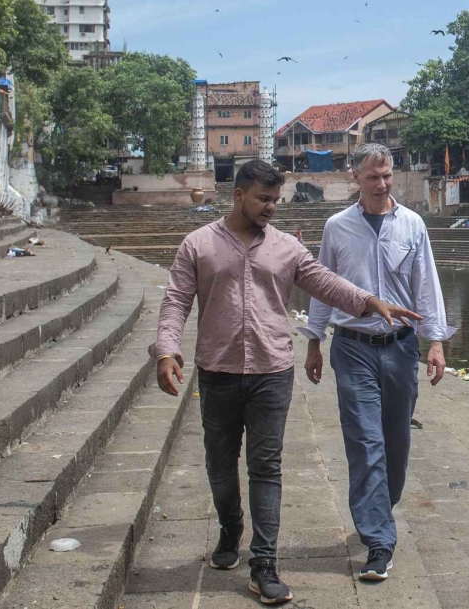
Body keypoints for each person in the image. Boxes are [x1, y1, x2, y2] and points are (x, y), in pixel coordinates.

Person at [151, 159, 421, 606]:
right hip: (216, 371)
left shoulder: (286, 249)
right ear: (238, 196)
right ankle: (230, 526)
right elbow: (176, 301)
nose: (271, 208)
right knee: (219, 464)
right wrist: (165, 349)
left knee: (266, 467)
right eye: (263, 199)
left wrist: (371, 302)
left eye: (276, 200)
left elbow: (326, 284)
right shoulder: (197, 245)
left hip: (272, 371)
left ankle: (264, 564)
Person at [303, 143, 452, 584]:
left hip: (401, 348)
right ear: (356, 177)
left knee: (396, 440)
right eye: (373, 177)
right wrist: (314, 339)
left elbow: (427, 283)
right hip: (352, 346)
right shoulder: (337, 227)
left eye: (387, 175)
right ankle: (379, 540)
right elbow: (321, 285)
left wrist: (436, 343)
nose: (382, 184)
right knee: (365, 441)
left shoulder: (412, 224)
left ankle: (380, 508)